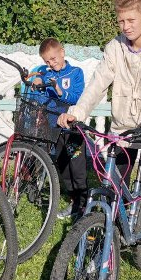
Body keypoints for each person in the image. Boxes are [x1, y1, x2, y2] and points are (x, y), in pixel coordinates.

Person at [57, 0, 141, 280]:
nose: (126, 26)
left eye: (131, 20)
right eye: (121, 20)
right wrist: (78, 111)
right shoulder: (115, 48)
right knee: (111, 188)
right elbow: (99, 81)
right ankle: (102, 242)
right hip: (123, 131)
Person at [28, 37, 87, 220]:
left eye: (53, 59)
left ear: (62, 52)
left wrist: (59, 90)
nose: (51, 64)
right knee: (63, 167)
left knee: (77, 168)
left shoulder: (76, 73)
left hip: (72, 128)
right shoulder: (45, 73)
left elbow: (78, 98)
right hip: (54, 129)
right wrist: (37, 83)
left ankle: (84, 206)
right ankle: (74, 202)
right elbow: (40, 95)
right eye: (47, 61)